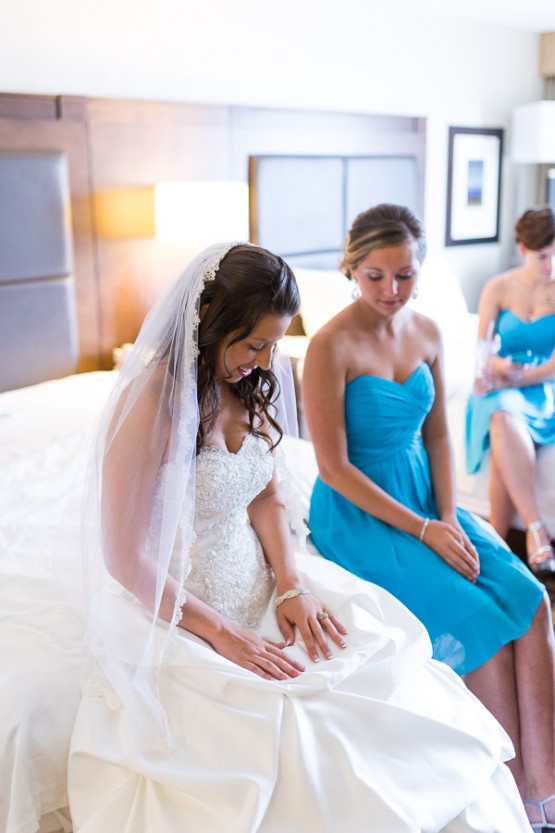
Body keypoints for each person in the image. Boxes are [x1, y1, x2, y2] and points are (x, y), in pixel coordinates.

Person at [68, 241, 530, 833]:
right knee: (297, 750)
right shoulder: (154, 399)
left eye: (274, 343)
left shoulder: (249, 380)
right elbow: (122, 555)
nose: (264, 361)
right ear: (209, 318)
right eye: (254, 343)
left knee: (381, 692)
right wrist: (225, 634)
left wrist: (290, 585)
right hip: (180, 608)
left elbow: (264, 492)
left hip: (266, 580)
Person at [302, 205, 555, 830]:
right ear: (351, 271)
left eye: (406, 275)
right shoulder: (329, 345)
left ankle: (544, 790)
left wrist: (448, 518)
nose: (392, 291)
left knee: (530, 598)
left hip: (426, 498)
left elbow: (440, 438)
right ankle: (508, 792)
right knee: (479, 621)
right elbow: (333, 468)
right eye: (375, 277)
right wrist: (423, 531)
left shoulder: (430, 332)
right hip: (360, 512)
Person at [466, 206, 555, 577]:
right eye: (543, 257)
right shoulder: (498, 287)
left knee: (503, 420)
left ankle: (500, 543)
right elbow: (483, 346)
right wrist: (496, 369)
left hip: (543, 386)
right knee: (501, 414)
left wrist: (518, 378)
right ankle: (536, 534)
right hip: (502, 384)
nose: (551, 265)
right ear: (522, 249)